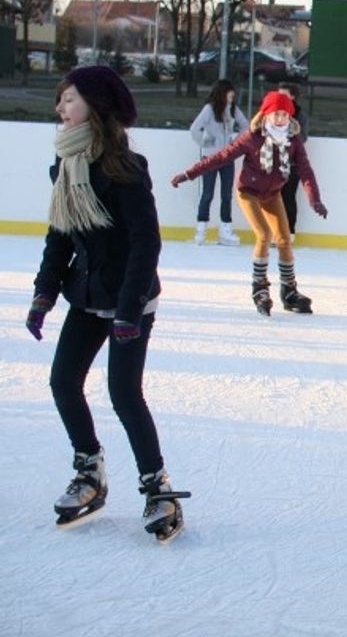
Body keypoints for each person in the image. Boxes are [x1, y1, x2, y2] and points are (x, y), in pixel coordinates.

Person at [27, 65, 189, 541]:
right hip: (88, 295)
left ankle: (156, 486)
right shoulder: (65, 167)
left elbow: (146, 243)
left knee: (123, 393)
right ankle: (89, 471)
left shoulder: (125, 170)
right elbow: (59, 236)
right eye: (60, 100)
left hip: (129, 299)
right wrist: (44, 293)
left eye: (69, 100)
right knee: (63, 382)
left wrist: (128, 309)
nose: (61, 108)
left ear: (95, 108)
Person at [171, 91, 328, 315]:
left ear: (290, 117)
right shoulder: (252, 137)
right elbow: (221, 157)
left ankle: (289, 290)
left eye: (284, 114)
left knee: (284, 239)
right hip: (248, 192)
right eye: (276, 114)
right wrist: (189, 174)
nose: (280, 119)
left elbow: (305, 171)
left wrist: (315, 199)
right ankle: (260, 287)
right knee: (264, 234)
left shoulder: (292, 142)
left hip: (273, 193)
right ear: (266, 114)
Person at [188, 79, 247, 246]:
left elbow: (246, 126)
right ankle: (201, 229)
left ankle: (225, 231)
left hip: (227, 158)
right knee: (207, 194)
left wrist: (235, 142)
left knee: (227, 195)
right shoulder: (209, 109)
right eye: (230, 92)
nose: (232, 95)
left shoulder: (233, 109)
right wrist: (206, 142)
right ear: (223, 92)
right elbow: (194, 129)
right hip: (210, 159)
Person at [277, 82, 307, 243]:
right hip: (273, 163)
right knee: (273, 198)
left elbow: (303, 137)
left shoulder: (300, 114)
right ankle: (275, 231)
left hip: (292, 164)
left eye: (284, 94)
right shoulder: (272, 112)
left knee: (288, 197)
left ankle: (289, 232)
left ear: (293, 97)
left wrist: (289, 137)